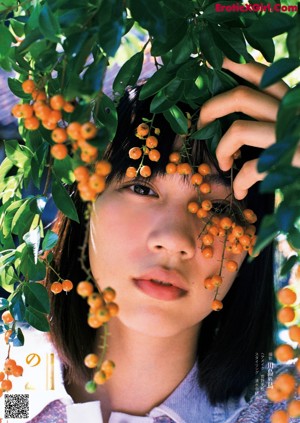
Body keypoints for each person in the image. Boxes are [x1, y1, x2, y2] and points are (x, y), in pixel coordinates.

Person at [26, 59, 297, 423]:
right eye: (141, 187)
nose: (174, 239)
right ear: (85, 201)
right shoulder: (12, 387)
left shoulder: (282, 406)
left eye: (217, 208)